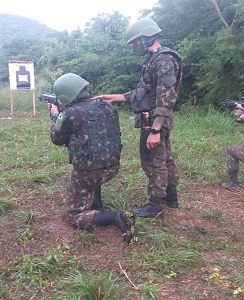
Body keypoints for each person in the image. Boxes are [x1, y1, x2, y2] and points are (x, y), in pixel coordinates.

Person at [100, 18, 184, 218]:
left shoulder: (163, 60)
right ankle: (171, 197)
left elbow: (166, 99)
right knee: (165, 158)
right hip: (155, 119)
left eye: (135, 42)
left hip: (154, 121)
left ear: (147, 38)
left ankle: (155, 207)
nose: (134, 47)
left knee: (153, 162)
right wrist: (117, 97)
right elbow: (144, 92)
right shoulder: (154, 59)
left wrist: (154, 130)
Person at [48, 73, 137, 244]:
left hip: (88, 172)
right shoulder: (106, 106)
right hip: (111, 166)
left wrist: (55, 116)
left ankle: (116, 217)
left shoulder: (70, 113)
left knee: (74, 216)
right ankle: (96, 206)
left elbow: (56, 139)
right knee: (92, 177)